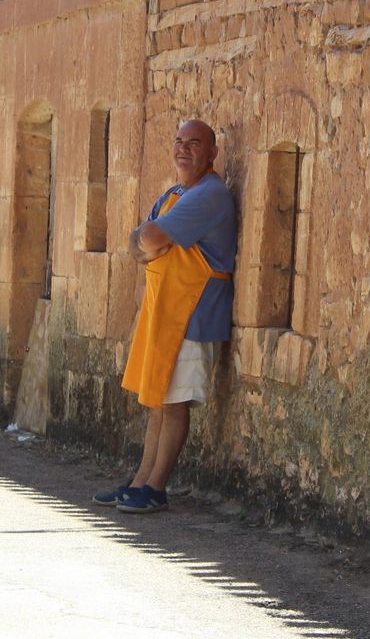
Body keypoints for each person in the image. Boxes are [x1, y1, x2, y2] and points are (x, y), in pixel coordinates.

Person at [93, 119, 237, 513]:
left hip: (193, 314)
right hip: (165, 311)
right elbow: (135, 243)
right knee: (159, 400)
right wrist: (148, 242)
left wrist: (152, 242)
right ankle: (139, 482)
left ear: (212, 153)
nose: (183, 149)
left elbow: (151, 239)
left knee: (174, 403)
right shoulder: (176, 194)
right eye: (178, 141)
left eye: (194, 143)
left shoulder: (209, 194)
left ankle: (156, 488)